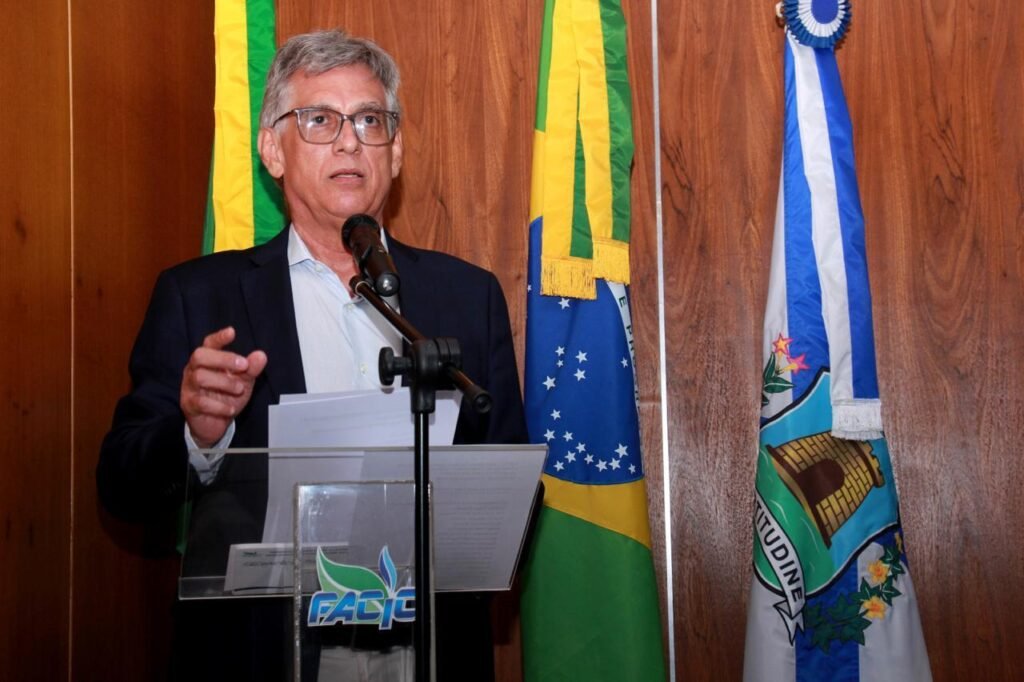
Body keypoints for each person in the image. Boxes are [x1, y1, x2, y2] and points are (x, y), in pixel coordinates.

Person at [97, 29, 527, 680]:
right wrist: (195, 435)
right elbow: (122, 484)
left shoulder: (467, 295)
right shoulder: (200, 296)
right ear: (273, 149)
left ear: (396, 150)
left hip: (430, 648)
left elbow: (512, 480)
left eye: (370, 120)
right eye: (320, 120)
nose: (350, 141)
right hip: (266, 649)